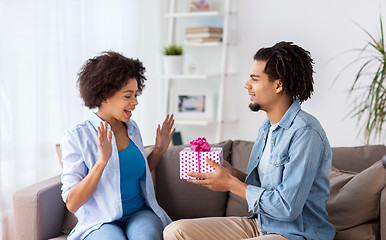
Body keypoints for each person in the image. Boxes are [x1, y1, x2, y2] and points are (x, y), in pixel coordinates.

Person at [163, 41, 335, 240]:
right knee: (176, 231)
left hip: (295, 233)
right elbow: (266, 188)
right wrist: (233, 174)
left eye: (255, 79)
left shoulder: (305, 133)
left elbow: (287, 207)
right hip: (261, 224)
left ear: (278, 85)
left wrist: (230, 184)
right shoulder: (267, 127)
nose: (247, 85)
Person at [61, 51, 175, 240]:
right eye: (128, 96)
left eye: (136, 95)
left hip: (139, 214)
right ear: (104, 96)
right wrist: (101, 163)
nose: (135, 102)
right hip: (100, 221)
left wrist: (159, 150)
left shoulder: (131, 128)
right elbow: (72, 203)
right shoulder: (77, 137)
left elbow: (135, 173)